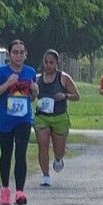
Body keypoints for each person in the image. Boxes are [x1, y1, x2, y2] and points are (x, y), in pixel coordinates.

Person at [0, 39, 38, 205]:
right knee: (6, 154)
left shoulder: (30, 72)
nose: (18, 55)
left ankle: (20, 193)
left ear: (26, 54)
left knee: (21, 154)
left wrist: (34, 93)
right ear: (9, 54)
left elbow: (30, 98)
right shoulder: (0, 72)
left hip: (23, 119)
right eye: (15, 52)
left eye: (21, 52)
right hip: (4, 120)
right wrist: (8, 83)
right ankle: (5, 189)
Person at [34, 49, 80, 186]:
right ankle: (45, 175)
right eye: (46, 62)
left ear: (57, 63)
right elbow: (30, 95)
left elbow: (77, 96)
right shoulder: (37, 78)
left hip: (59, 117)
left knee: (58, 150)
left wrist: (64, 95)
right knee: (42, 144)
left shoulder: (64, 78)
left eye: (51, 62)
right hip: (42, 116)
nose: (48, 65)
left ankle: (58, 158)